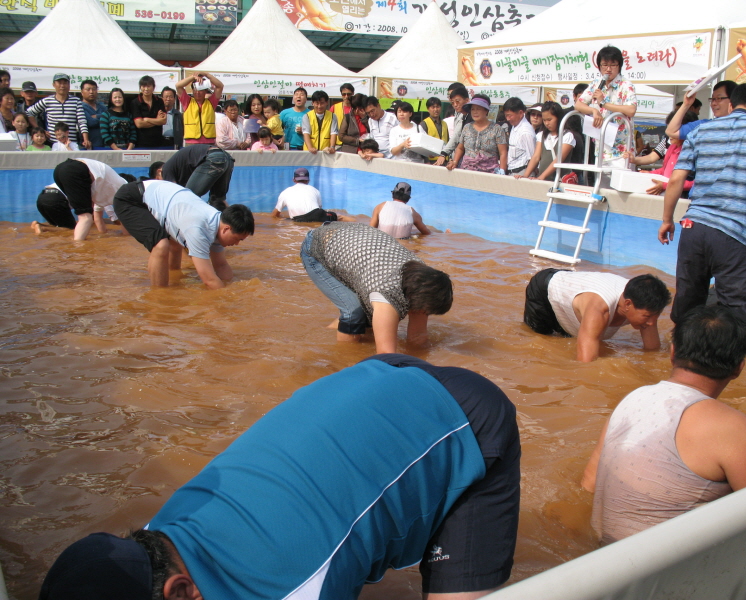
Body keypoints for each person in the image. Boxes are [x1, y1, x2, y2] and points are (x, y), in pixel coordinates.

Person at [38, 353, 520, 600]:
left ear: (181, 593)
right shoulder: (154, 542)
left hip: (464, 419)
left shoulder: (293, 590)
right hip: (373, 378)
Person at [582, 305, 746, 545]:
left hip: (600, 553)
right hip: (662, 573)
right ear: (738, 368)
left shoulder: (632, 399)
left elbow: (589, 483)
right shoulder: (732, 428)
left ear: (672, 353)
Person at [659, 83, 746, 334]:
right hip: (735, 235)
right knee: (738, 318)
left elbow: (676, 179)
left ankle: (675, 365)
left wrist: (667, 219)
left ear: (732, 104)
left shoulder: (701, 132)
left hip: (693, 229)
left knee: (686, 311)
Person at [301, 222, 452, 353]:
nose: (424, 314)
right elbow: (385, 354)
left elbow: (417, 336)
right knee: (354, 312)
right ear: (413, 297)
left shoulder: (423, 280)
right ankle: (342, 360)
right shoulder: (386, 293)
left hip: (354, 240)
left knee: (370, 319)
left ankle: (334, 331)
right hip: (317, 246)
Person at [112, 180, 253, 288]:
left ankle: (174, 277)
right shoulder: (198, 228)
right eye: (237, 239)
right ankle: (159, 299)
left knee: (175, 242)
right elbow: (209, 279)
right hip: (131, 199)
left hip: (161, 197)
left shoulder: (218, 224)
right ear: (226, 229)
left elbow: (221, 265)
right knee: (161, 245)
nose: (236, 244)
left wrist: (232, 287)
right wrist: (230, 303)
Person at [523, 270, 671, 362]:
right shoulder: (600, 310)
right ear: (627, 304)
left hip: (574, 287)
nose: (652, 323)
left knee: (569, 337)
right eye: (647, 316)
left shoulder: (647, 305)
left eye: (655, 316)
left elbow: (653, 353)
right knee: (539, 342)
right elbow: (586, 364)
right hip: (545, 290)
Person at [575, 46, 637, 164]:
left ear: (619, 66)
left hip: (621, 151)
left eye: (613, 65)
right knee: (600, 182)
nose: (608, 69)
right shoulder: (596, 84)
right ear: (599, 66)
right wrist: (593, 111)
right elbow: (578, 104)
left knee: (618, 182)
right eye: (604, 65)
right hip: (601, 148)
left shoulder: (625, 85)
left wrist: (604, 103)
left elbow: (631, 110)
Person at [49, 158, 130, 240]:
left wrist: (103, 233)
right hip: (76, 169)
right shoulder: (125, 191)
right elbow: (125, 220)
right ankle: (77, 249)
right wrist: (127, 237)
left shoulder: (104, 191)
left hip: (59, 170)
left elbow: (97, 218)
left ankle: (77, 243)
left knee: (86, 215)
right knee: (86, 217)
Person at [624, 110, 698, 196]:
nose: (668, 132)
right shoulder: (672, 146)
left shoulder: (694, 151)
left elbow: (694, 182)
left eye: (674, 129)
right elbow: (664, 169)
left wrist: (666, 185)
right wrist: (650, 174)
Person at [160, 145, 235, 212]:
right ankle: (233, 223)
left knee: (186, 197)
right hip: (227, 158)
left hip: (214, 157)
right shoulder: (179, 166)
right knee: (218, 200)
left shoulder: (166, 169)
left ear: (158, 172)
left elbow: (174, 194)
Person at [26, 73, 90, 148]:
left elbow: (82, 121)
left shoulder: (76, 101)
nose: (62, 86)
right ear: (54, 85)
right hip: (52, 143)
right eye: (59, 83)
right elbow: (29, 112)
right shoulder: (47, 101)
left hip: (71, 143)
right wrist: (40, 130)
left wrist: (86, 139)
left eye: (65, 83)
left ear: (69, 85)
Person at [449, 95, 508, 173]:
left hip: (489, 172)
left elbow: (503, 153)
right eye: (473, 109)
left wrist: (502, 170)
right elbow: (460, 148)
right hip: (467, 170)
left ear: (486, 111)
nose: (475, 112)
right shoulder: (467, 127)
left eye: (478, 109)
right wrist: (455, 162)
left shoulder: (497, 129)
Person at [273, 167, 353, 222]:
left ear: (294, 180)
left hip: (297, 219)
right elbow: (319, 209)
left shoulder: (285, 192)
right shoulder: (315, 190)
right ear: (308, 180)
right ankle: (359, 223)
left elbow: (274, 215)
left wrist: (282, 219)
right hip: (316, 215)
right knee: (340, 217)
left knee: (283, 219)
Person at [665, 81, 737, 141]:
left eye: (718, 98)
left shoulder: (744, 126)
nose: (713, 103)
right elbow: (671, 131)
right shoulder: (704, 125)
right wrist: (686, 104)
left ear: (733, 100)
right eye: (712, 99)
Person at [176, 71, 224, 146]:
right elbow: (178, 86)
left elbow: (220, 86)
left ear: (205, 91)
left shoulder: (211, 102)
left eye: (200, 90)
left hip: (209, 141)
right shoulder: (187, 101)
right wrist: (193, 77)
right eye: (195, 89)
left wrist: (207, 75)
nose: (197, 92)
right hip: (191, 141)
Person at [436, 86, 470, 166]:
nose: (455, 105)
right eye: (452, 102)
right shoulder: (461, 115)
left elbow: (456, 137)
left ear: (467, 100)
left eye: (457, 101)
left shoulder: (469, 116)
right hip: (460, 157)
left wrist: (444, 153)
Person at [130, 75, 167, 149]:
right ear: (140, 87)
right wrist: (156, 120)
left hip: (158, 141)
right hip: (141, 142)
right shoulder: (135, 102)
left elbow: (163, 121)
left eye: (149, 86)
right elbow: (139, 124)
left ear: (153, 87)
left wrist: (147, 119)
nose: (146, 89)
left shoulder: (159, 101)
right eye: (143, 86)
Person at [504, 97, 536, 176]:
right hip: (512, 171)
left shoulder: (526, 131)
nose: (507, 119)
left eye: (510, 115)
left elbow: (533, 158)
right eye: (506, 115)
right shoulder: (514, 126)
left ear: (521, 113)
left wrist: (525, 177)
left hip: (522, 172)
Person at [421, 97, 449, 164]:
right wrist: (427, 161)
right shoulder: (424, 124)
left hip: (444, 159)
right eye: (433, 107)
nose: (436, 109)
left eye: (438, 107)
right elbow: (422, 145)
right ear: (428, 109)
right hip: (431, 160)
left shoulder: (444, 123)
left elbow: (447, 142)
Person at [80, 80, 106, 150]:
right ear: (82, 92)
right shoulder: (80, 107)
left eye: (94, 89)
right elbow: (90, 122)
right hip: (87, 146)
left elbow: (109, 118)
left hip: (105, 146)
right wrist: (103, 117)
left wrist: (97, 116)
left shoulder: (102, 106)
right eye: (88, 89)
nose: (91, 92)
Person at [330, 82, 356, 148]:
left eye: (349, 94)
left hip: (352, 143)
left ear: (353, 93)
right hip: (337, 143)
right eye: (344, 94)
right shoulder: (334, 107)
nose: (346, 96)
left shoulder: (357, 108)